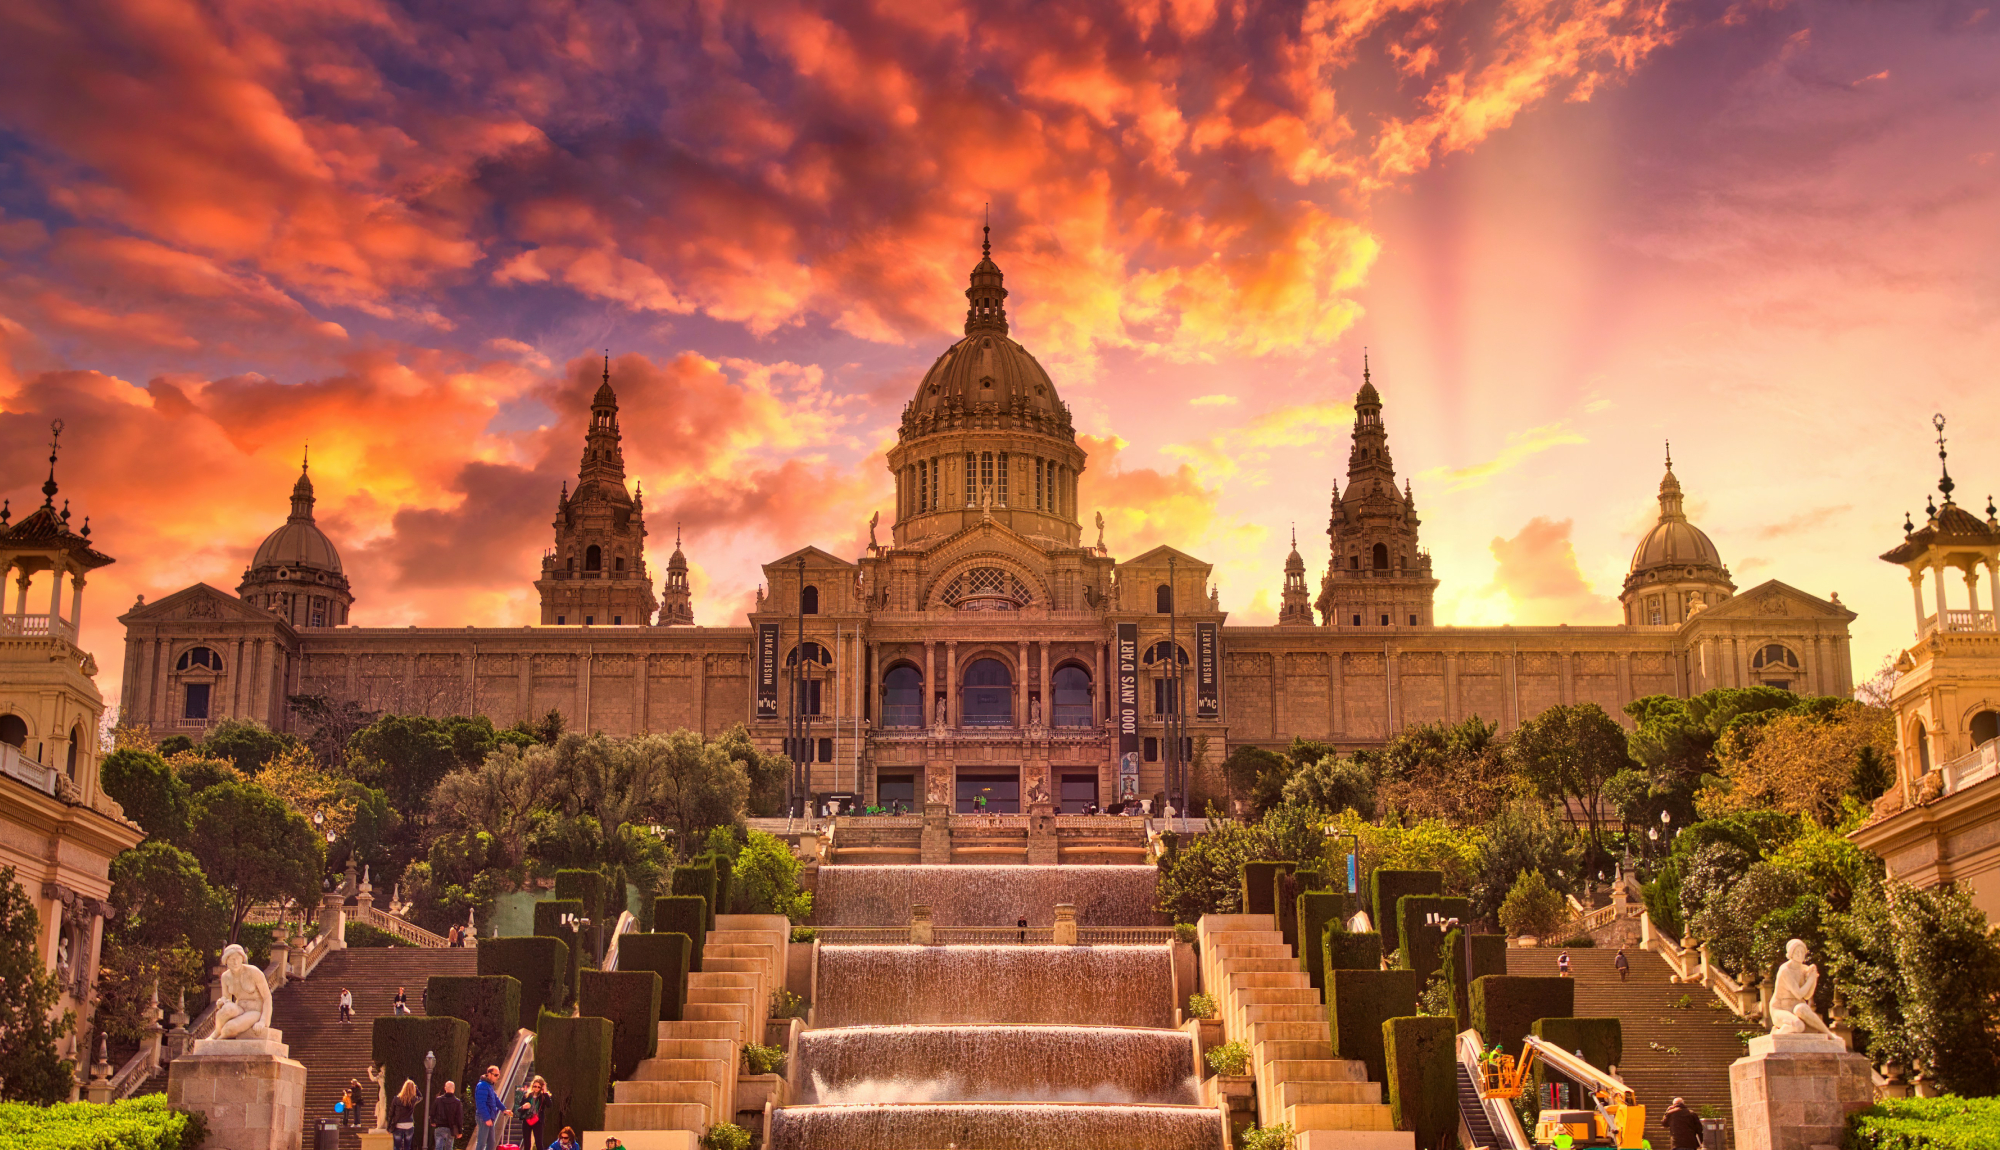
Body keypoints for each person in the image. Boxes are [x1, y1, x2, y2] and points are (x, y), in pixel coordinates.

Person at [515, 1075, 550, 1150]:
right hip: (527, 1120)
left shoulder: (543, 1096)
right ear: (532, 1086)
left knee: (539, 1143)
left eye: (538, 1087)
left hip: (538, 1121)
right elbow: (518, 1109)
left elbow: (549, 1105)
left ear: (541, 1087)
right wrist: (523, 1107)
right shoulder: (527, 1095)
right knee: (527, 1144)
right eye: (535, 1086)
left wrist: (545, 1092)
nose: (536, 1088)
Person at [473, 1066, 503, 1150]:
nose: (497, 1077)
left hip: (489, 1117)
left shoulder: (489, 1085)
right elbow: (480, 1104)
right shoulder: (483, 1085)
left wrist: (504, 1109)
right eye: (495, 1075)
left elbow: (495, 1099)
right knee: (481, 1143)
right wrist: (486, 1118)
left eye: (498, 1075)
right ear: (489, 1074)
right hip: (484, 1118)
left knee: (491, 1142)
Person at [432, 1080, 464, 1150]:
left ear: (445, 1088)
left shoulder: (438, 1100)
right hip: (451, 1128)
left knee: (438, 1147)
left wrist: (432, 1121)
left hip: (439, 1127)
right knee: (449, 1148)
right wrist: (459, 1130)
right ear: (454, 1089)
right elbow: (459, 1117)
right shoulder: (457, 1102)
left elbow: (432, 1112)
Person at [390, 1080, 420, 1150]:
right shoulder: (413, 1099)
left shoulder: (396, 1099)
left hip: (398, 1125)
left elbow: (391, 1113)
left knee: (397, 1147)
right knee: (407, 1147)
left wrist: (390, 1127)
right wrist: (416, 1088)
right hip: (409, 1124)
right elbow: (420, 1097)